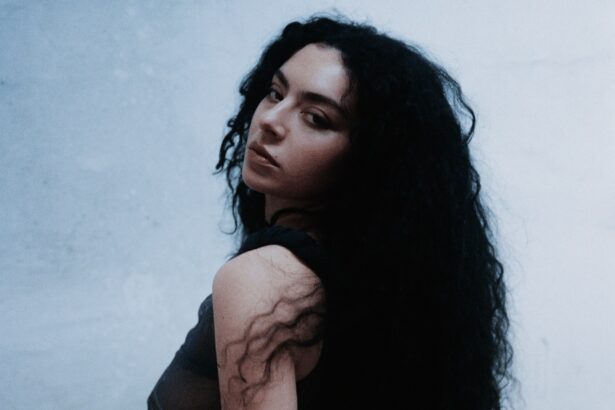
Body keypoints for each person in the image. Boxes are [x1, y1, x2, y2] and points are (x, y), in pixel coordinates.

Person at [148, 11, 512, 410]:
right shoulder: (377, 288)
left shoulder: (262, 280)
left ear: (369, 158)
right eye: (275, 93)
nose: (270, 121)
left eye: (316, 118)